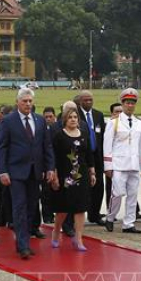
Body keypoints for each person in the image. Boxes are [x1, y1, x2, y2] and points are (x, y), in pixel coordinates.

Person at [0, 87, 56, 259]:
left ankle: (24, 240)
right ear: (18, 102)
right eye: (25, 101)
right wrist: (2, 171)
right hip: (16, 172)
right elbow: (1, 148)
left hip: (35, 172)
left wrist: (50, 167)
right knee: (19, 207)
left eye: (30, 101)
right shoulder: (8, 121)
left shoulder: (39, 120)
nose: (28, 104)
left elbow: (47, 146)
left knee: (31, 208)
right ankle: (23, 245)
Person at [49, 106, 96, 251]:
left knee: (80, 208)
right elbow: (54, 158)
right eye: (70, 117)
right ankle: (56, 231)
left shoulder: (83, 135)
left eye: (75, 117)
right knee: (63, 209)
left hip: (81, 176)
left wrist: (92, 172)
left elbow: (89, 155)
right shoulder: (59, 136)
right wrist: (55, 176)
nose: (73, 120)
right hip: (65, 176)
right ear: (65, 120)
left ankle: (78, 238)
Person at [103, 88, 141, 234]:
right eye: (127, 103)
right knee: (117, 193)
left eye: (133, 103)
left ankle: (129, 223)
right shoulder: (114, 122)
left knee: (133, 194)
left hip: (134, 164)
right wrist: (108, 165)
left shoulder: (139, 123)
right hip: (119, 164)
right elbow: (107, 145)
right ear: (122, 104)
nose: (130, 105)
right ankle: (110, 217)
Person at [77, 90, 106, 225]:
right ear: (80, 101)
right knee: (83, 186)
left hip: (97, 155)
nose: (88, 102)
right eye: (85, 100)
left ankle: (95, 214)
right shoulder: (75, 115)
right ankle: (80, 213)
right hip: (82, 156)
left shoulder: (98, 115)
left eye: (90, 100)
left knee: (99, 186)